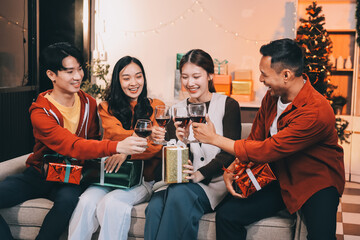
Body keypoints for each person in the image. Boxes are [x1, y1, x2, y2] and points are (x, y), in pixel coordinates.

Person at [192, 38, 345, 240]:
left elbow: (268, 149)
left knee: (321, 237)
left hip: (315, 181)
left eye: (264, 74)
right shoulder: (272, 97)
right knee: (228, 216)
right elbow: (256, 139)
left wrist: (214, 138)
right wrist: (234, 168)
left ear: (286, 75)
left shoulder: (316, 111)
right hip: (277, 175)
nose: (261, 80)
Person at [0, 42, 147, 240]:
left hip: (73, 176)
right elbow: (72, 145)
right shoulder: (40, 111)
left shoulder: (89, 103)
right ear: (52, 75)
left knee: (69, 201)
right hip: (39, 173)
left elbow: (93, 142)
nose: (78, 76)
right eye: (69, 71)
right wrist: (117, 146)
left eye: (79, 69)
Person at [144, 49, 242, 240]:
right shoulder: (177, 110)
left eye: (196, 76)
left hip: (214, 183)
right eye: (185, 77)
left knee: (180, 195)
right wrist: (181, 142)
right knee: (155, 206)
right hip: (181, 182)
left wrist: (200, 173)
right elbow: (177, 162)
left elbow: (230, 151)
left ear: (210, 76)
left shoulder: (227, 105)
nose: (190, 83)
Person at [68, 56, 165, 240]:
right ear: (117, 81)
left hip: (143, 179)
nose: (134, 83)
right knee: (86, 202)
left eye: (138, 76)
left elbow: (154, 148)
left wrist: (124, 153)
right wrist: (129, 146)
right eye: (126, 78)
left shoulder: (156, 106)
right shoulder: (105, 108)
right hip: (110, 175)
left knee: (113, 203)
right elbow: (116, 134)